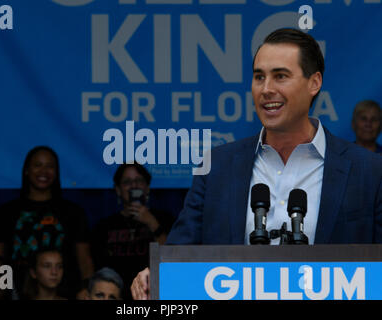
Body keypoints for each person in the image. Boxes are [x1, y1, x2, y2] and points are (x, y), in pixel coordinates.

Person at [131, 28, 382, 300]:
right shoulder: (218, 166)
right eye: (259, 77)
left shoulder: (369, 171)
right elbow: (181, 253)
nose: (266, 89)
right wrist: (156, 275)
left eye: (280, 76)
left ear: (314, 83)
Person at [0, 146, 94, 298]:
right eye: (37, 165)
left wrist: (87, 288)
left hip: (65, 293)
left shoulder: (73, 212)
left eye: (49, 166)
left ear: (57, 172)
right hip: (16, 293)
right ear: (26, 170)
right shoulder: (6, 212)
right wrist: (3, 292)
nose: (43, 171)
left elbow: (84, 260)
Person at [90, 162, 174, 300]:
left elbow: (173, 257)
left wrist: (152, 224)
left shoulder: (164, 219)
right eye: (127, 182)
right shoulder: (104, 226)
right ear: (118, 189)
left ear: (147, 188)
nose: (134, 186)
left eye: (139, 181)